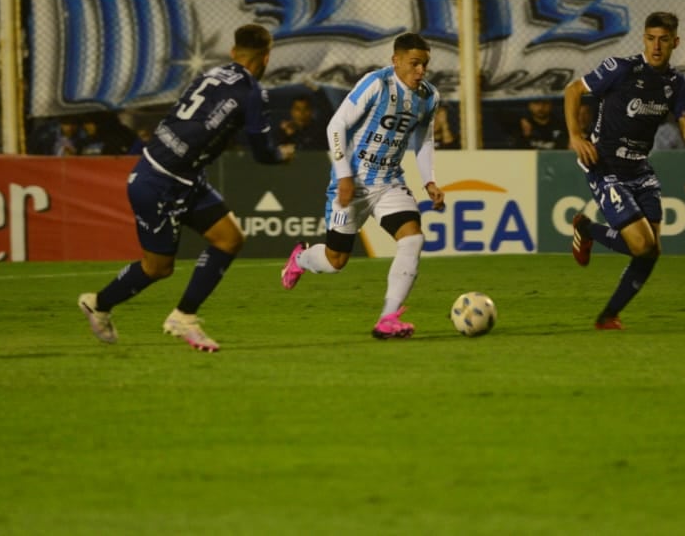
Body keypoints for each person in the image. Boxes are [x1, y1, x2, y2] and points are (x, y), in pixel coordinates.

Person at [77, 25, 293, 352]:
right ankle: (99, 303)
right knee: (158, 268)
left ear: (234, 53)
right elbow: (263, 152)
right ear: (266, 57)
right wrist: (281, 155)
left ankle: (184, 316)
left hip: (181, 175)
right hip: (159, 182)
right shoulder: (252, 93)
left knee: (230, 238)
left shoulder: (213, 74)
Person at [281, 33, 446, 339]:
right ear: (395, 61)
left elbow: (423, 139)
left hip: (389, 182)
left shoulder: (429, 96)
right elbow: (336, 125)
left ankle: (387, 318)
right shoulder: (376, 84)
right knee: (335, 261)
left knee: (412, 239)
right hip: (353, 182)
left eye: (425, 64)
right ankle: (301, 258)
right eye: (414, 64)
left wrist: (429, 181)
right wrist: (344, 175)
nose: (421, 71)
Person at [566, 11, 685, 330]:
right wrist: (576, 135)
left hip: (640, 169)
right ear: (644, 38)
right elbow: (573, 90)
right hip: (603, 164)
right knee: (642, 245)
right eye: (650, 38)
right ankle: (587, 229)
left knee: (651, 251)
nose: (656, 46)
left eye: (663, 40)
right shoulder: (621, 68)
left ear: (675, 42)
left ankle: (607, 316)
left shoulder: (677, 84)